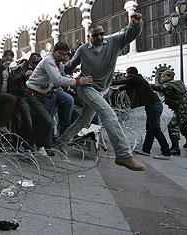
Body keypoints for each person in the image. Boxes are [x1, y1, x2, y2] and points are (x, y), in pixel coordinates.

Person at [57, 12, 145, 171]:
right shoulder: (83, 50)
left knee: (84, 120)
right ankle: (124, 154)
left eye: (101, 34)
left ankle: (63, 140)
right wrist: (57, 73)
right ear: (89, 36)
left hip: (101, 90)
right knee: (108, 114)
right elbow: (69, 66)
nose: (98, 38)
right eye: (95, 35)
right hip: (86, 88)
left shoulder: (113, 42)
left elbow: (130, 35)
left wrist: (135, 24)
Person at [25, 42, 93, 156]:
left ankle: (32, 147)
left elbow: (63, 76)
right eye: (60, 54)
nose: (63, 57)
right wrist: (78, 81)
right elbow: (58, 80)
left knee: (40, 122)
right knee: (48, 122)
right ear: (54, 52)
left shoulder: (59, 64)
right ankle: (38, 146)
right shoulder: (48, 61)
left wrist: (76, 81)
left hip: (43, 95)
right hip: (32, 95)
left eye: (65, 55)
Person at [112, 67, 171, 159]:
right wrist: (111, 86)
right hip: (152, 105)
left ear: (129, 73)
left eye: (127, 74)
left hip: (153, 105)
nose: (127, 76)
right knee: (150, 129)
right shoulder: (136, 82)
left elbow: (121, 82)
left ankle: (166, 153)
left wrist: (105, 81)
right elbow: (122, 87)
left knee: (155, 129)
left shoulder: (136, 78)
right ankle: (146, 150)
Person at [153, 70, 187, 155]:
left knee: (173, 126)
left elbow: (158, 88)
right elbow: (186, 94)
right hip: (186, 109)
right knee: (182, 126)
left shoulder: (168, 84)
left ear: (169, 77)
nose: (161, 78)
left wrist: (144, 84)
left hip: (181, 110)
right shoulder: (178, 84)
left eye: (163, 76)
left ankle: (175, 148)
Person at [8, 53, 42, 149]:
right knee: (27, 120)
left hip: (34, 96)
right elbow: (13, 80)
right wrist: (24, 75)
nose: (36, 65)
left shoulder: (38, 69)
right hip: (22, 96)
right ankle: (25, 145)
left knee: (33, 120)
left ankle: (24, 143)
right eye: (35, 63)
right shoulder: (20, 68)